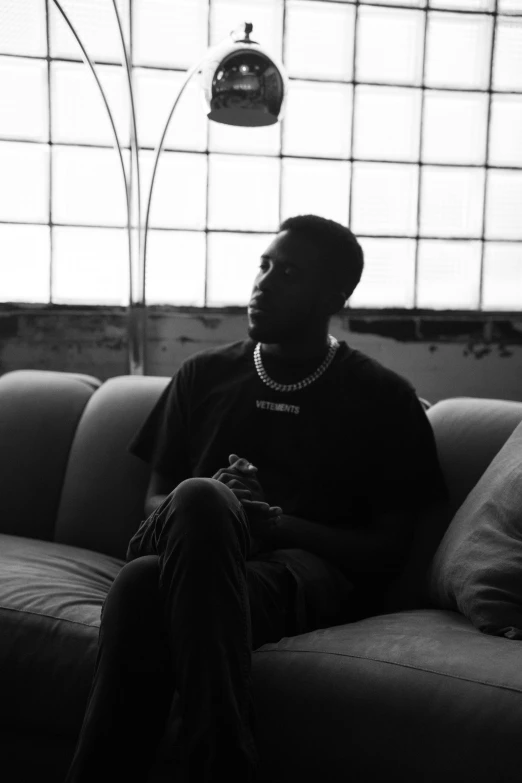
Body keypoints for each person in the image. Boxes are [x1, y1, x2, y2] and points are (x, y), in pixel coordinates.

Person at [64, 214, 448, 783]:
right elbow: (154, 503)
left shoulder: (382, 397)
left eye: (288, 272)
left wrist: (273, 525)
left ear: (334, 296)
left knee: (143, 588)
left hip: (296, 572)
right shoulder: (203, 374)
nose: (263, 283)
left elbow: (386, 552)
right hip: (187, 538)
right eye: (263, 265)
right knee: (199, 497)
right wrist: (222, 506)